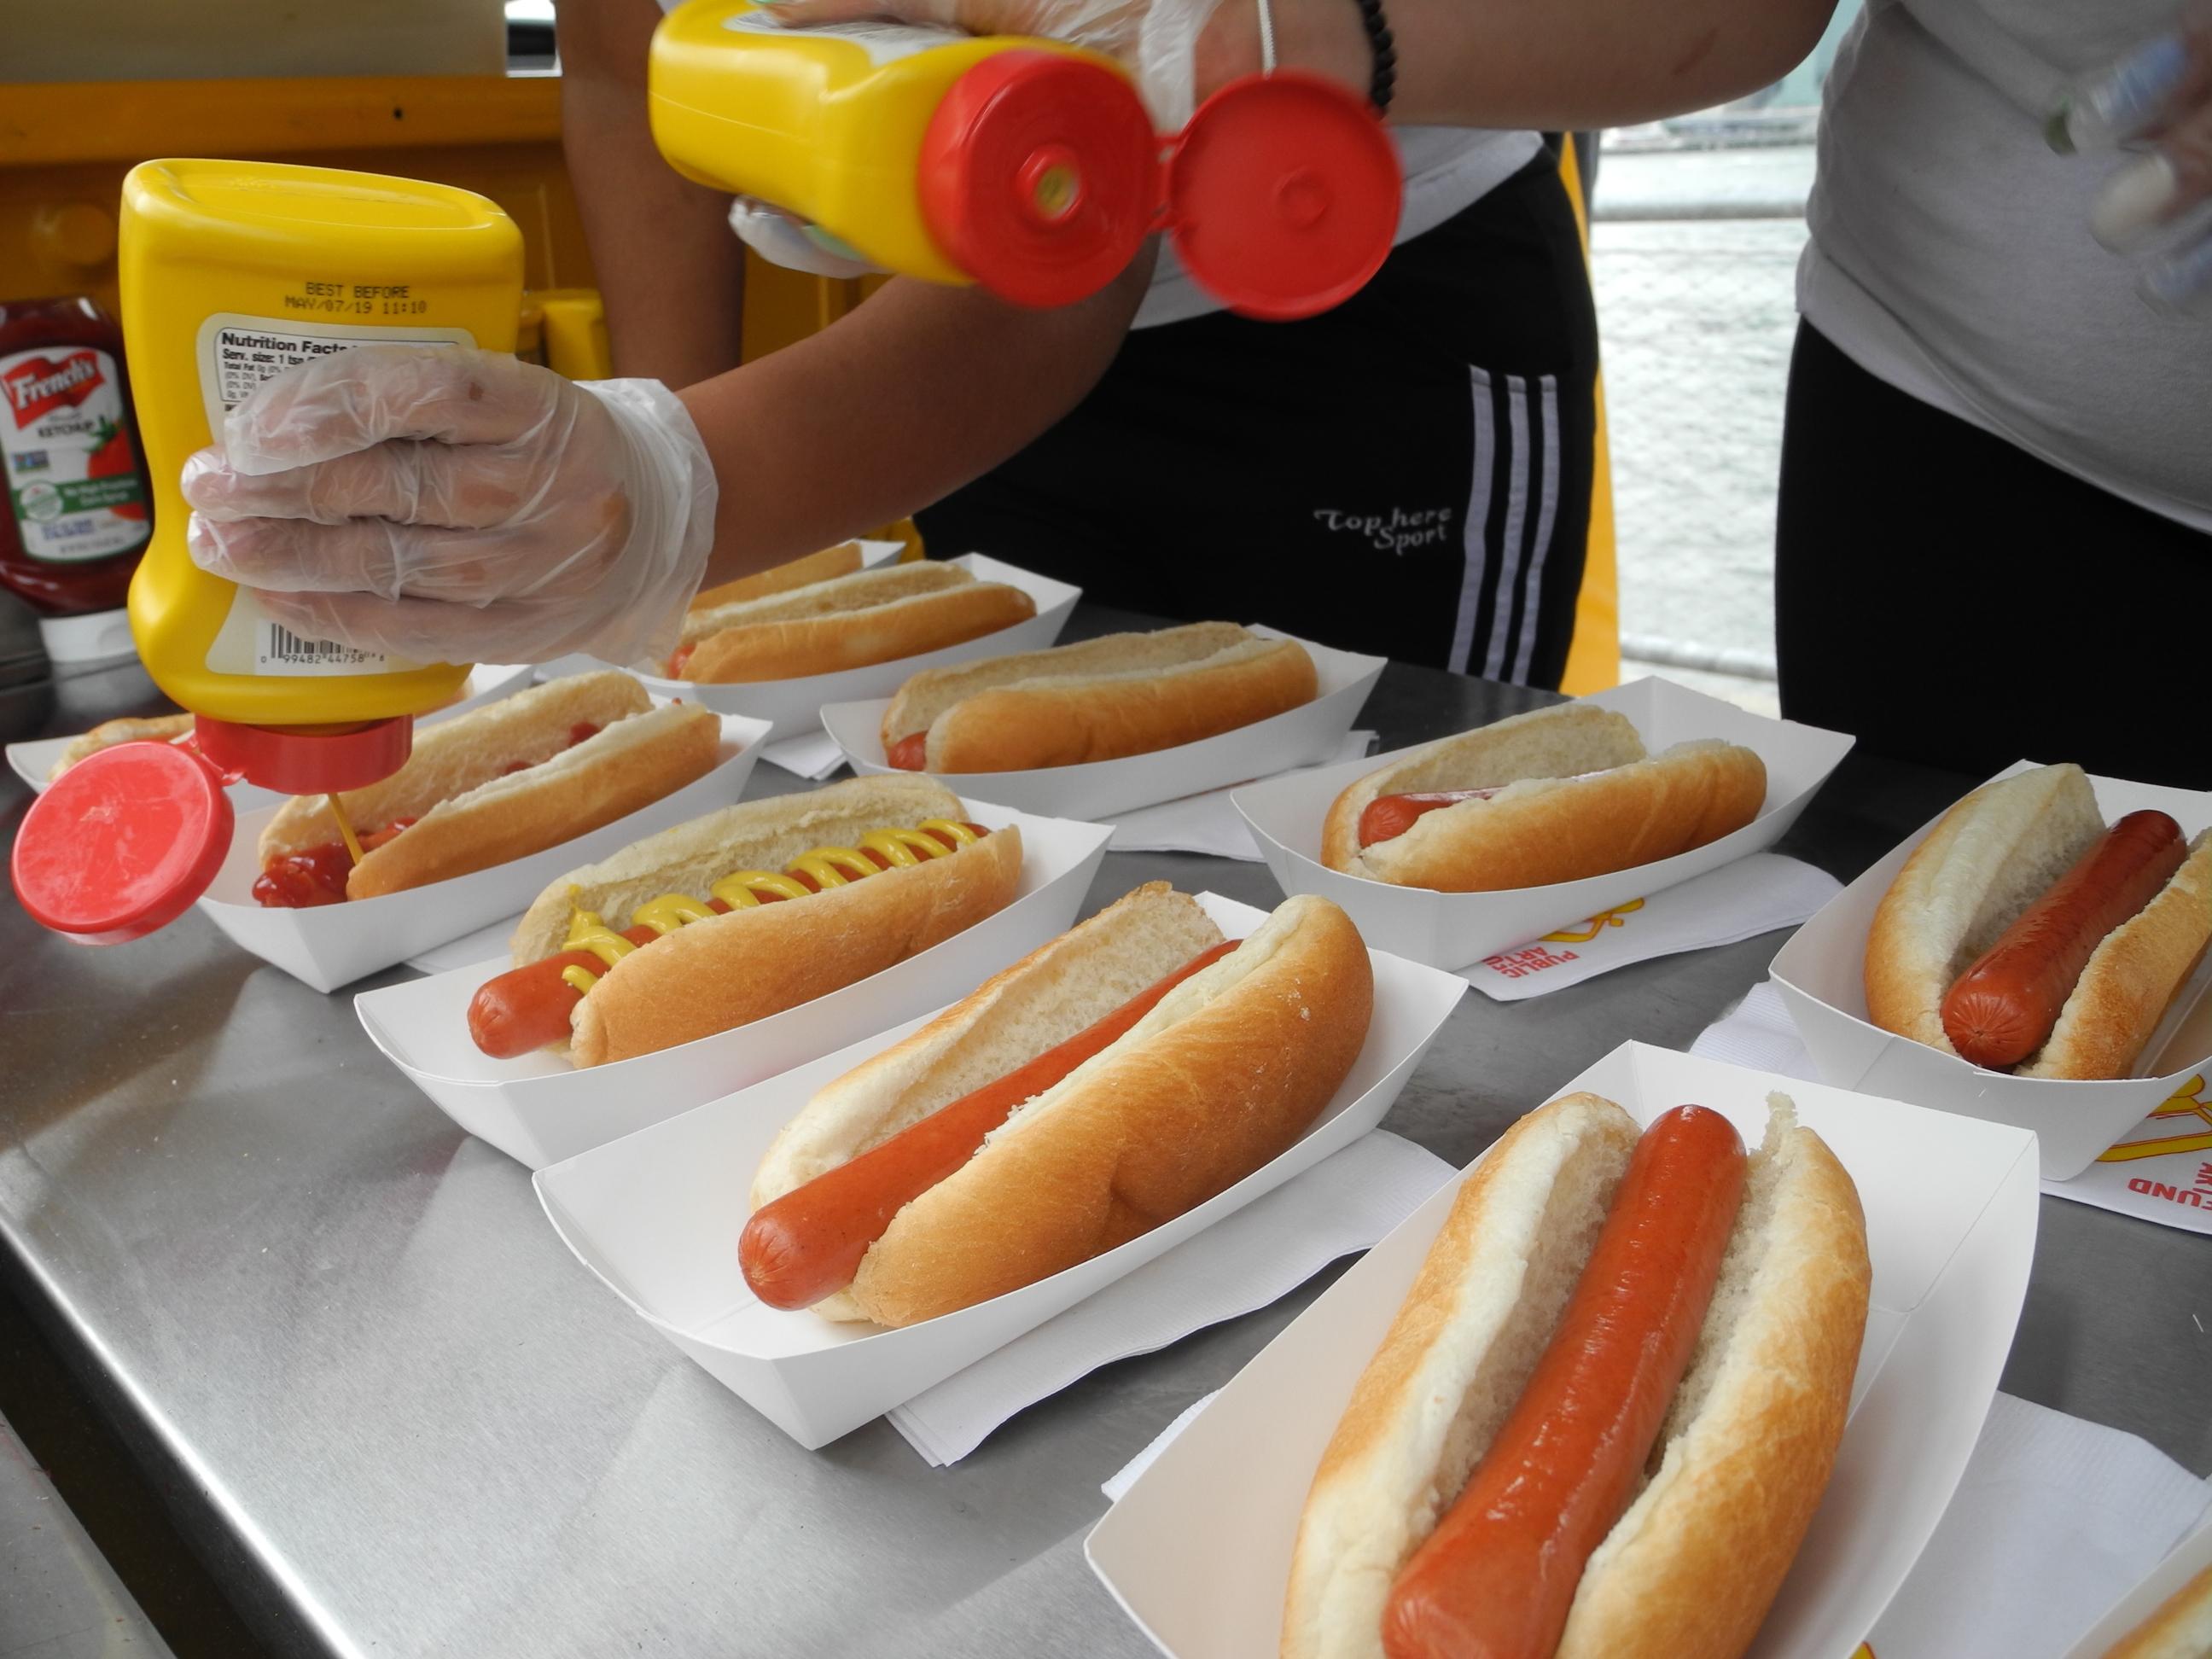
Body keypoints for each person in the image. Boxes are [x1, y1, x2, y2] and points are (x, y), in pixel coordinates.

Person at [183, 0, 1609, 689]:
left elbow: (1067, 247)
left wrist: (676, 492)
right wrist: (655, 466)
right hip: (960, 313)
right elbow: (627, 66)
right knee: (1005, 790)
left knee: (1397, 796)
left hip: (1350, 297)